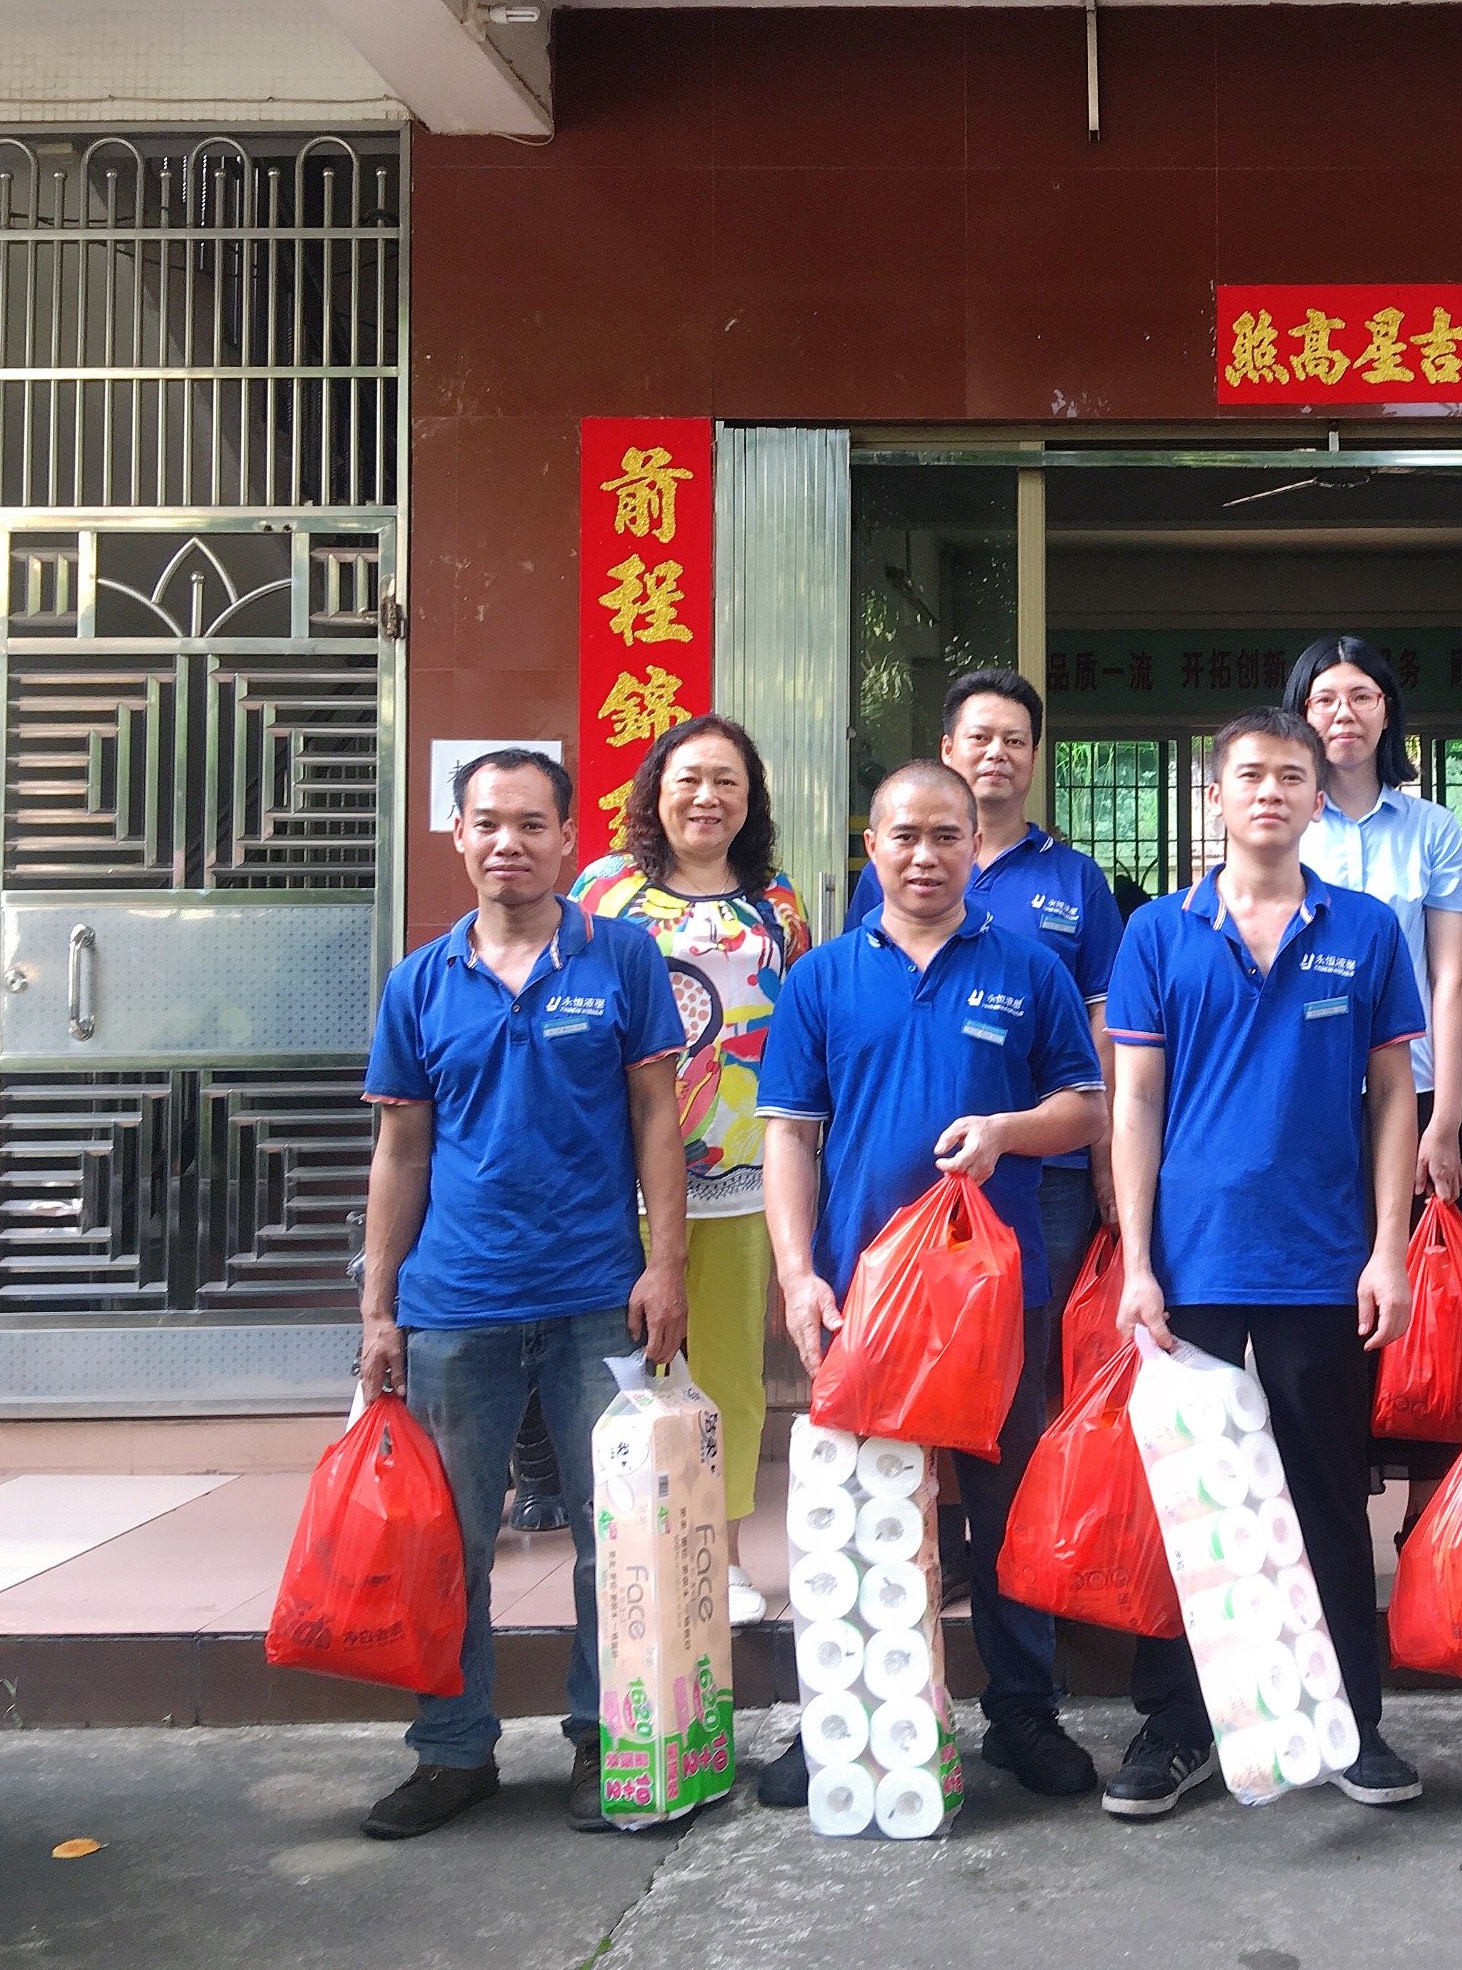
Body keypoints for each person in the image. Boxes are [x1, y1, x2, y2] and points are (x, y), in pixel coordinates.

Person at [756, 760, 1108, 1801]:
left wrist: (1005, 1132)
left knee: (1005, 1507)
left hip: (994, 1293)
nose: (925, 855)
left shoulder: (1028, 968)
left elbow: (1085, 1108)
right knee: (862, 1506)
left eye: (946, 836)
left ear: (974, 845)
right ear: (872, 847)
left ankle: (1022, 1711)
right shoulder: (822, 978)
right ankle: (847, 1717)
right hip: (860, 1290)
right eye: (904, 836)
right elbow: (789, 1135)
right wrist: (796, 1276)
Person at [354, 748, 689, 1840]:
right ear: (458, 835)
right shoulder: (419, 981)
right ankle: (453, 1752)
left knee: (613, 1536)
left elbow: (656, 1116)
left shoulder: (621, 958)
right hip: (456, 1307)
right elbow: (401, 1152)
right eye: (489, 823)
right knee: (449, 1543)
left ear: (567, 838)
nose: (510, 843)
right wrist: (379, 1309)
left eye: (533, 824)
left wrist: (667, 1264)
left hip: (598, 1297)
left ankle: (605, 1742)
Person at [1100, 707, 1427, 1818]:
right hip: (1190, 1267)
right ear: (1216, 796)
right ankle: (1176, 1726)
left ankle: (1352, 1725)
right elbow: (1135, 1103)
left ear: (1315, 797)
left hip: (1320, 1262)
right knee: (1187, 1503)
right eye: (1250, 775)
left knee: (1326, 1495)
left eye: (1292, 776)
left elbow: (1394, 1098)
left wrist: (1387, 1250)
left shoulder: (1366, 929)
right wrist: (1136, 1263)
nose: (1271, 793)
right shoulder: (1158, 933)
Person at [571, 714, 810, 1626]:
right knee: (624, 1376)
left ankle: (726, 1556)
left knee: (730, 1380)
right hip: (620, 1176)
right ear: (655, 792)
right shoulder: (604, 891)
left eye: (727, 782)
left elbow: (799, 1035)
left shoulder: (777, 904)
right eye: (689, 780)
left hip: (743, 1176)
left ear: (750, 800)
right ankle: (635, 1555)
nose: (707, 798)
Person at [848, 668, 1123, 1333]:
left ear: (1034, 757)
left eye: (1015, 740)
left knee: (1030, 1338)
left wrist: (1107, 1154)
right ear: (948, 748)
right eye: (981, 737)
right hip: (909, 1164)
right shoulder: (891, 873)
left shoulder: (1076, 878)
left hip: (1049, 1167)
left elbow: (1105, 1022)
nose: (997, 753)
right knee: (905, 1343)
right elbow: (866, 997)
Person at [1282, 635, 1462, 1210]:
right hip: (1299, 1081)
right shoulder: (1280, 824)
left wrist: (1446, 1118)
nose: (1344, 713)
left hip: (1411, 1082)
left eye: (1362, 696)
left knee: (1403, 1253)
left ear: (1387, 711)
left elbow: (1449, 979)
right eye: (1324, 700)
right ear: (1301, 716)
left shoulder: (1433, 828)